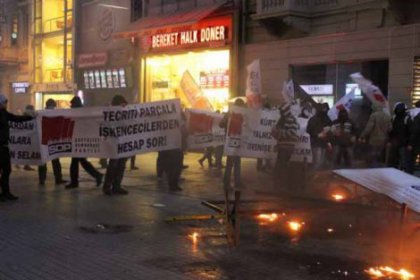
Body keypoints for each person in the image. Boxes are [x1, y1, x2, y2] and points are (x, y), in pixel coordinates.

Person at [0, 94, 34, 201]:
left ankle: (6, 192)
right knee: (5, 170)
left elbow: (15, 118)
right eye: (5, 102)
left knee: (7, 170)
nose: (6, 104)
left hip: (4, 147)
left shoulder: (4, 113)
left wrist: (30, 117)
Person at [65, 96, 103, 189]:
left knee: (76, 162)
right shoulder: (83, 112)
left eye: (72, 104)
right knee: (82, 161)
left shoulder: (79, 113)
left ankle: (75, 181)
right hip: (80, 140)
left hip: (80, 140)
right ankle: (97, 175)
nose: (71, 106)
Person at [102, 95, 129, 195]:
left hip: (124, 143)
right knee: (113, 165)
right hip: (114, 143)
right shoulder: (110, 114)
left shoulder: (125, 113)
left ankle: (116, 185)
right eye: (122, 104)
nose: (124, 106)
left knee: (121, 165)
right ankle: (107, 186)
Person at [38, 99, 67, 186]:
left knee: (52, 161)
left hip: (49, 140)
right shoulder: (43, 114)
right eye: (53, 106)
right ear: (50, 105)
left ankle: (45, 179)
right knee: (46, 161)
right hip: (46, 141)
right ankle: (53, 179)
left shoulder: (42, 114)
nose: (53, 108)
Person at [221, 98, 246, 189]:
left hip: (234, 142)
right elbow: (221, 124)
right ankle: (232, 183)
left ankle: (230, 182)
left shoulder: (238, 114)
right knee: (234, 163)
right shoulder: (230, 114)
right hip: (232, 142)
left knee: (233, 163)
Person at [306, 103, 332, 170]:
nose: (325, 110)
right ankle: (313, 177)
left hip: (324, 143)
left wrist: (328, 140)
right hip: (316, 143)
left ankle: (317, 177)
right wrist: (317, 134)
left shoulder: (327, 119)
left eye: (326, 109)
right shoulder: (313, 119)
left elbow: (330, 130)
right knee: (317, 162)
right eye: (323, 109)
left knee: (321, 162)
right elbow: (309, 129)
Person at [388, 102, 411, 170]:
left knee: (402, 160)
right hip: (399, 142)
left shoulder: (405, 118)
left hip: (402, 143)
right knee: (398, 159)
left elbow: (409, 131)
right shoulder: (397, 117)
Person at [407, 100, 420, 174]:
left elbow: (414, 130)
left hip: (413, 141)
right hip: (416, 141)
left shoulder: (410, 113)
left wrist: (410, 143)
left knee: (411, 160)